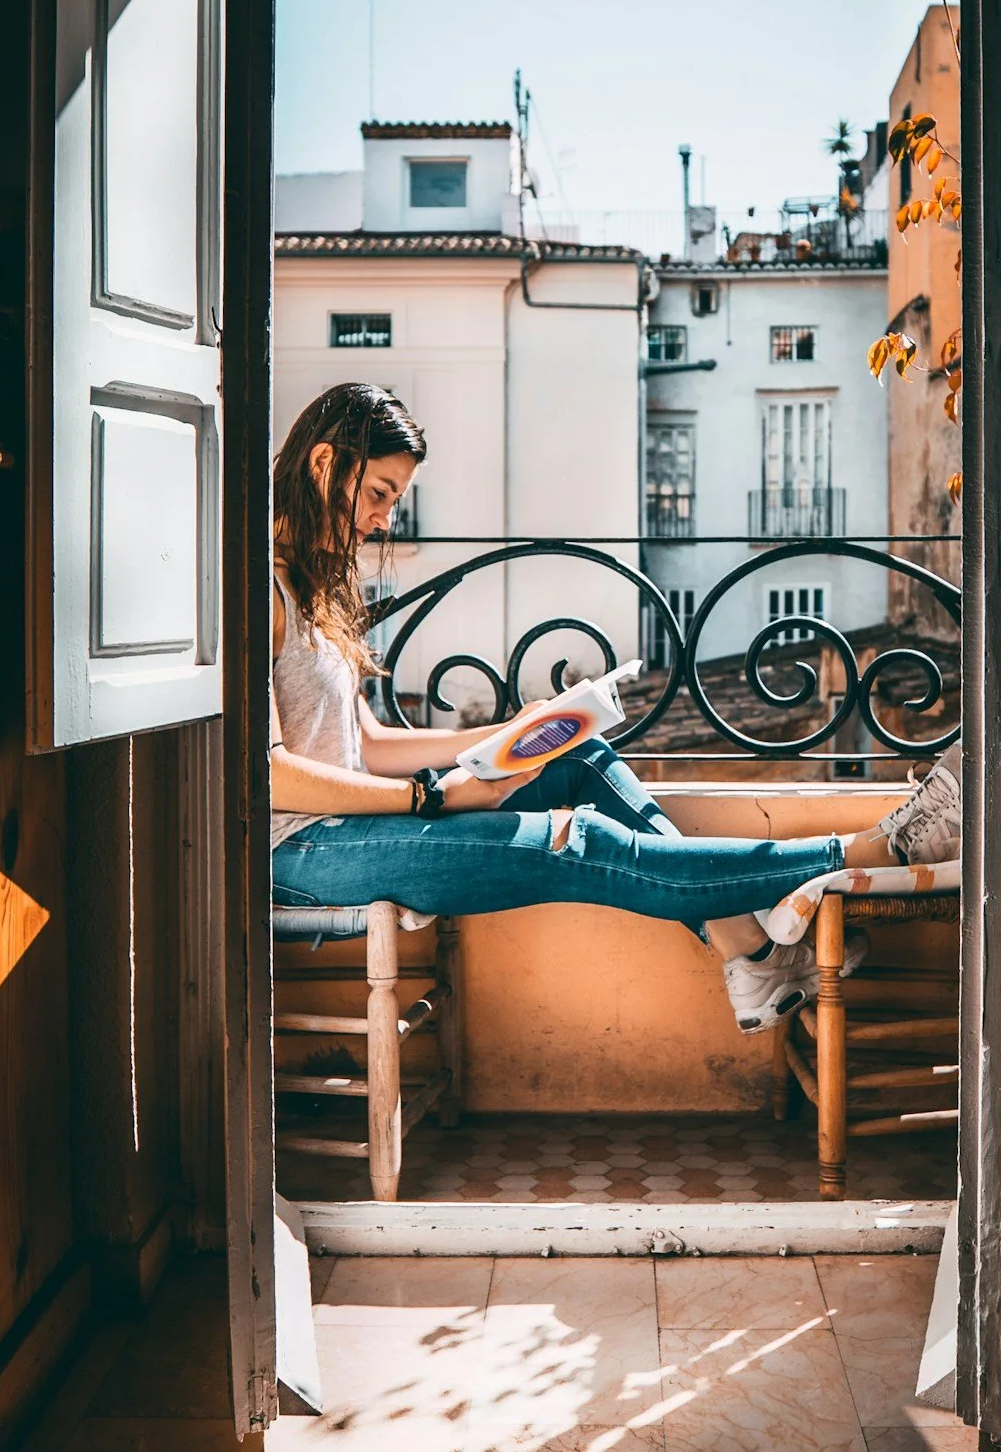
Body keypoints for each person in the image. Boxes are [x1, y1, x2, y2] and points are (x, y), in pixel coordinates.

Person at [268, 382, 961, 1034]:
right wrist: (432, 799)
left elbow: (368, 743)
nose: (385, 521)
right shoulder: (257, 589)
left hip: (355, 827)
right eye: (381, 493)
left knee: (581, 756)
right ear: (325, 462)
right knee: (576, 841)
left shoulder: (315, 593)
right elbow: (270, 778)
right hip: (305, 851)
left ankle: (748, 951)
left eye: (393, 500)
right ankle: (872, 851)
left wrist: (508, 732)